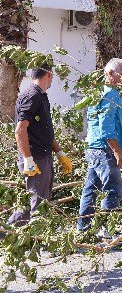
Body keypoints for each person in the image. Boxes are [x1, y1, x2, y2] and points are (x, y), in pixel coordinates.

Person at [9, 64, 73, 226]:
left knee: (33, 201)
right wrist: (28, 159)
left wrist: (60, 153)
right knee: (38, 202)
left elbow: (44, 130)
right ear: (49, 75)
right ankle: (34, 241)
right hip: (34, 157)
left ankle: (8, 233)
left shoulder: (41, 96)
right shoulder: (32, 96)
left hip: (42, 155)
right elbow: (20, 130)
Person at [77, 58, 122, 236]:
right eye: (121, 75)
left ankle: (83, 228)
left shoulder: (98, 91)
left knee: (90, 188)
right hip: (104, 149)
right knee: (114, 188)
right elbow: (106, 128)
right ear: (110, 73)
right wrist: (117, 151)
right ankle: (105, 229)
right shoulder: (111, 94)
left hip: (93, 147)